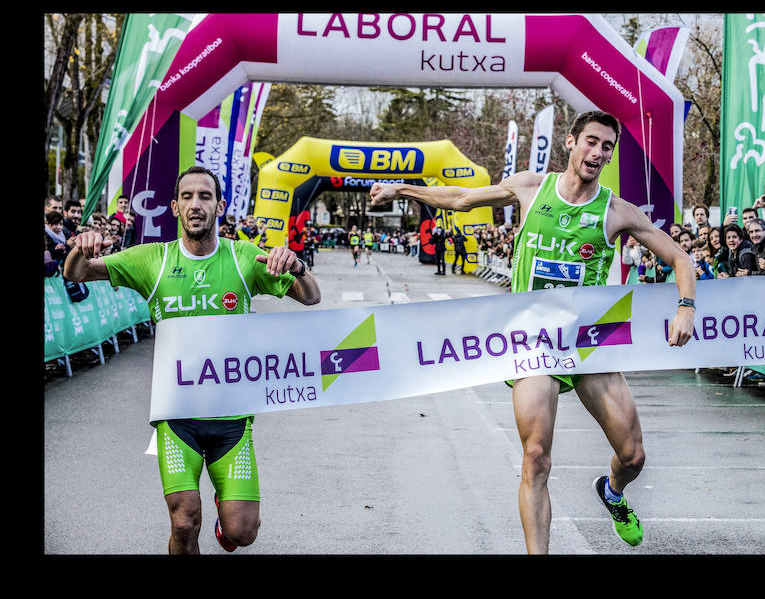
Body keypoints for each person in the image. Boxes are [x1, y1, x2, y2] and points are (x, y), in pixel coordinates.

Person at [370, 110, 696, 554]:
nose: (598, 153)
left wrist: (685, 307)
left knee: (634, 456)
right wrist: (400, 188)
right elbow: (463, 197)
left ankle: (614, 493)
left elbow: (681, 258)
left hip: (586, 345)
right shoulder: (530, 187)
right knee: (536, 457)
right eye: (592, 142)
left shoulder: (616, 211)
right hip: (532, 345)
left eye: (607, 147)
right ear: (570, 142)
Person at [63, 165, 321, 555]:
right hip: (177, 418)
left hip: (231, 420)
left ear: (220, 207)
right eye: (187, 197)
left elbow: (310, 296)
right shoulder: (153, 259)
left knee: (242, 533)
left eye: (205, 196)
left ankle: (226, 522)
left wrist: (297, 265)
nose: (195, 204)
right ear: (174, 207)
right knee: (184, 521)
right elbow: (78, 273)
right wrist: (80, 247)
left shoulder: (242, 257)